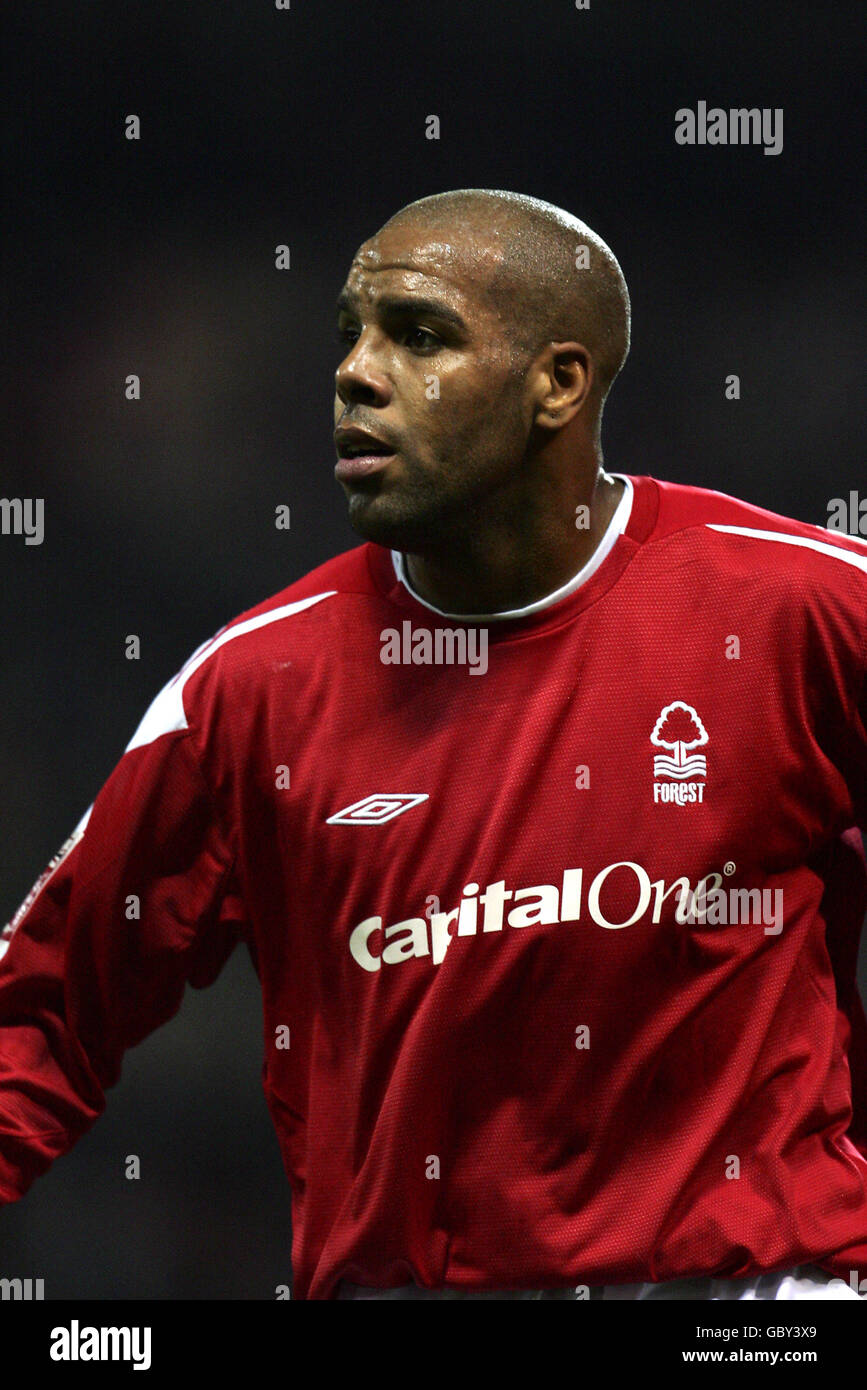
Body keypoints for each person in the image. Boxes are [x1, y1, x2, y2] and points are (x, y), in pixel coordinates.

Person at [2, 188, 866, 1301]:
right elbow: (42, 1015)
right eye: (351, 335)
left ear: (560, 383)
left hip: (754, 1301)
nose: (356, 373)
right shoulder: (250, 688)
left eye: (418, 336)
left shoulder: (798, 609)